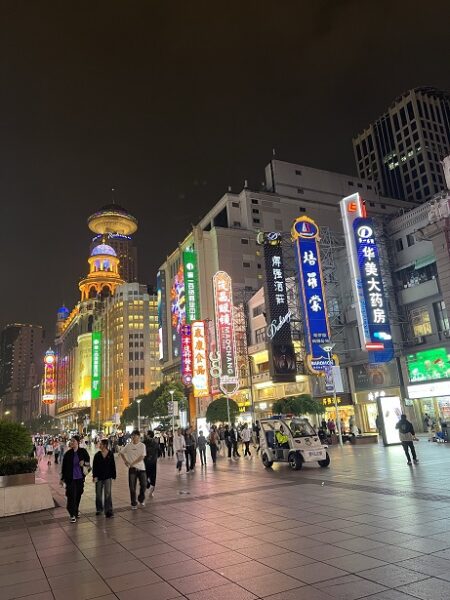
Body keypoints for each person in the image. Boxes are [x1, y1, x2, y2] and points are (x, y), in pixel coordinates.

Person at [60, 435, 91, 523]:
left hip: (80, 478)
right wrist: (62, 478)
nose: (72, 442)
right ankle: (72, 514)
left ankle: (75, 510)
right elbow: (64, 467)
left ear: (78, 442)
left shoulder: (83, 452)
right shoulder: (68, 454)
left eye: (73, 441)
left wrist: (84, 463)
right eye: (71, 441)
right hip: (70, 479)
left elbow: (88, 464)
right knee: (71, 496)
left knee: (78, 494)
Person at [119, 430, 147, 509]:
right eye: (132, 436)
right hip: (132, 469)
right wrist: (125, 461)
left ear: (138, 436)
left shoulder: (142, 445)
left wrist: (132, 463)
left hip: (141, 468)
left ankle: (141, 499)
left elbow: (142, 457)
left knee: (144, 485)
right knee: (132, 487)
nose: (133, 437)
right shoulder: (128, 446)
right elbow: (121, 453)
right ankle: (133, 503)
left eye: (134, 436)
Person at [92, 439, 116, 518]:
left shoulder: (110, 454)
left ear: (105, 445)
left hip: (108, 477)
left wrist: (114, 475)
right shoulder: (97, 455)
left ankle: (108, 510)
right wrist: (94, 476)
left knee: (107, 494)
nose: (99, 445)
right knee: (98, 494)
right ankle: (99, 509)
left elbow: (113, 465)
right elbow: (94, 467)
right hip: (99, 477)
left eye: (101, 444)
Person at [143, 430, 159, 497]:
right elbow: (159, 452)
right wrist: (155, 457)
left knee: (146, 475)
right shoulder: (155, 442)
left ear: (149, 435)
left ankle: (148, 484)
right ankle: (151, 491)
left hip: (147, 462)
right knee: (153, 476)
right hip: (153, 462)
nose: (145, 435)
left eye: (146, 434)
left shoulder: (144, 442)